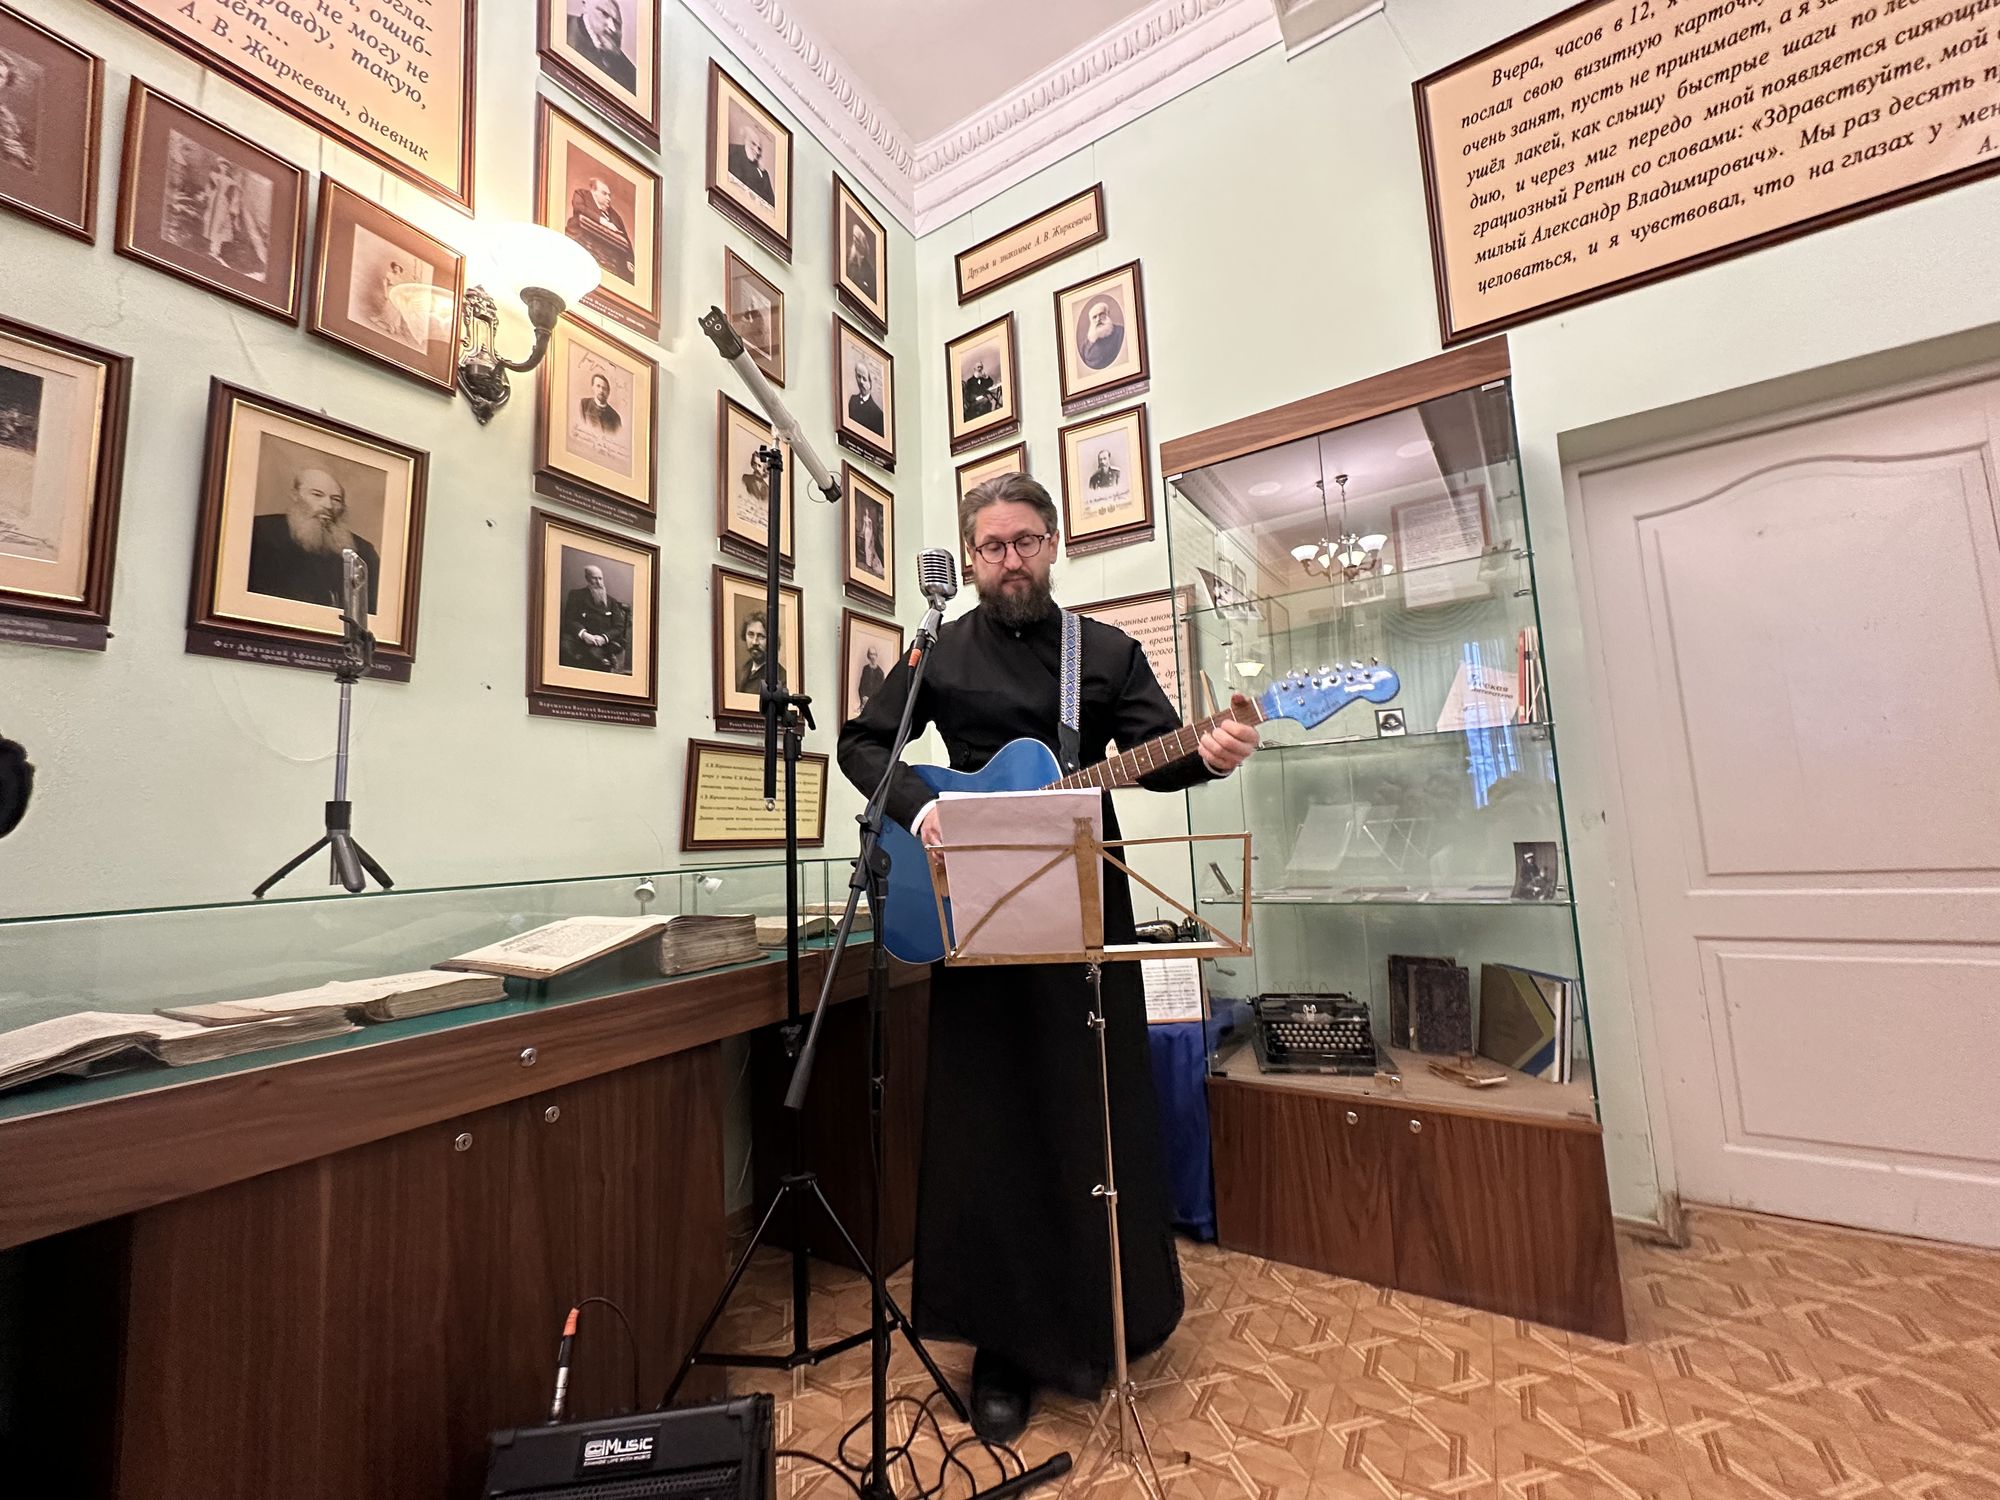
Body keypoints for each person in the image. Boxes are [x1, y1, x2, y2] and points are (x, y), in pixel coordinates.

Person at [836, 472, 1258, 1442]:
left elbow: (1159, 751)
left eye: (1024, 542)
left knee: (1090, 1108)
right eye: (991, 547)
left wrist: (1209, 751)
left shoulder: (1102, 652)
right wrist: (923, 811)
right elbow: (864, 747)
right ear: (970, 555)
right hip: (975, 913)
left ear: (1053, 543)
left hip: (1083, 908)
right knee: (990, 1122)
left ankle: (1109, 1312)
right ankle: (1004, 1346)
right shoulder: (939, 649)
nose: (1009, 561)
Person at [247, 466, 381, 611]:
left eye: (336, 499)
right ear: (295, 495)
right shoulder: (260, 531)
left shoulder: (363, 551)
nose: (328, 505)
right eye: (317, 495)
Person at [559, 563, 629, 672]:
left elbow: (619, 627)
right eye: (594, 578)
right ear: (587, 579)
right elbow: (570, 619)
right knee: (564, 647)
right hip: (582, 640)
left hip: (605, 642)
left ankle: (602, 659)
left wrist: (604, 638)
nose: (599, 582)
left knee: (598, 658)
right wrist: (584, 635)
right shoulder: (576, 595)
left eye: (600, 578)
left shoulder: (611, 602)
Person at [566, 178, 635, 281]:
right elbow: (579, 208)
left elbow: (625, 237)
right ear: (594, 192)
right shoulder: (582, 194)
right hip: (582, 240)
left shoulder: (615, 216)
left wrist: (629, 259)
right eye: (604, 194)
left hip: (611, 257)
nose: (608, 198)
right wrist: (603, 222)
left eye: (609, 195)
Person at [567, 0, 636, 91]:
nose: (613, 28)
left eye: (617, 23)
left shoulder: (631, 75)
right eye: (604, 14)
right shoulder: (560, 28)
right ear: (585, 5)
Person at [737, 608, 785, 693]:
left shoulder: (781, 678)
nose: (754, 642)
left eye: (761, 636)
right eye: (751, 635)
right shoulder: (742, 669)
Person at [728, 128, 775, 206]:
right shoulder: (733, 151)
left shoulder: (762, 172)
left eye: (759, 148)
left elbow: (772, 202)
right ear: (745, 141)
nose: (757, 150)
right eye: (753, 143)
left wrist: (763, 173)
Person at [1077, 296, 1124, 371]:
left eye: (1101, 315)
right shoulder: (1085, 346)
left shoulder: (1120, 332)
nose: (1098, 319)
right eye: (1094, 317)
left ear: (1108, 314)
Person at [844, 217, 877, 300]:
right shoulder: (846, 255)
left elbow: (873, 291)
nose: (856, 242)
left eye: (859, 240)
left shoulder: (867, 267)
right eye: (855, 238)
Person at [848, 364, 884, 436]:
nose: (861, 382)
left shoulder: (878, 414)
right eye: (859, 376)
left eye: (864, 379)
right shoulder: (852, 400)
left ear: (870, 383)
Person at [856, 644, 885, 712]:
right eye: (871, 654)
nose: (873, 657)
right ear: (868, 656)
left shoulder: (880, 672)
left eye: (874, 654)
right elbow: (861, 686)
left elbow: (882, 690)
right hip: (865, 701)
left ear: (876, 656)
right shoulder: (865, 669)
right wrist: (863, 697)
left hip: (875, 702)